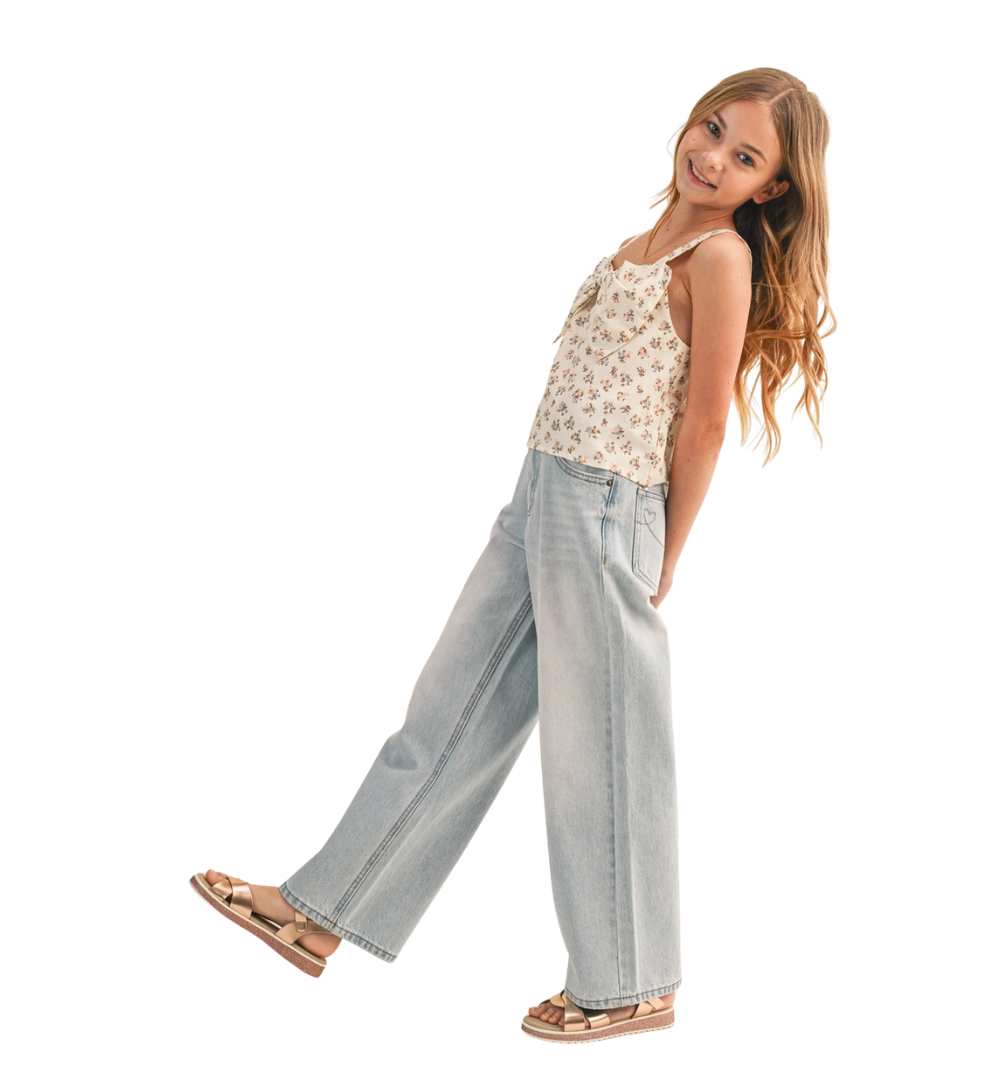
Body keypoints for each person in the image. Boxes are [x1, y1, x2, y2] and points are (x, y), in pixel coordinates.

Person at [190, 65, 834, 1045]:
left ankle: (629, 982)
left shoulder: (720, 256)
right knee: (448, 713)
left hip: (611, 509)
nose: (712, 158)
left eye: (743, 157)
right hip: (540, 496)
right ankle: (324, 911)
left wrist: (665, 552)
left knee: (601, 750)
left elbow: (705, 421)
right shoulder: (640, 244)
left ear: (771, 187)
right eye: (712, 129)